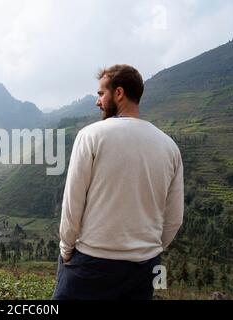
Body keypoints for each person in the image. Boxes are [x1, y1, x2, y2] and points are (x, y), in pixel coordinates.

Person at [52, 64, 184, 300]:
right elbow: (174, 218)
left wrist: (66, 249)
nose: (97, 101)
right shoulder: (169, 147)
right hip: (143, 267)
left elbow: (73, 203)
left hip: (92, 261)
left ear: (119, 93)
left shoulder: (91, 136)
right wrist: (148, 249)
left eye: (101, 93)